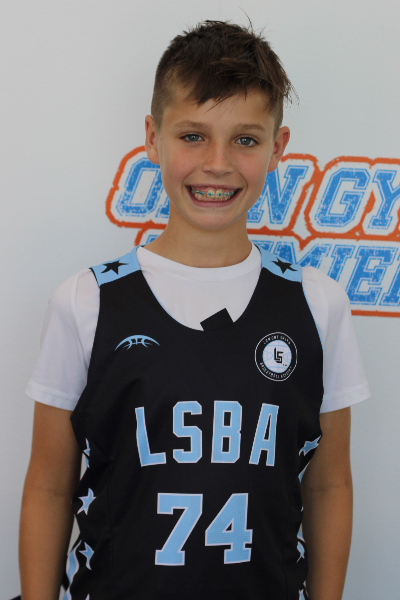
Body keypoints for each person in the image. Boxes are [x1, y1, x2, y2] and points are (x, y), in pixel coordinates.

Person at [19, 20, 370, 600]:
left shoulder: (316, 304)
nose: (217, 163)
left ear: (278, 148)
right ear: (152, 137)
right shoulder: (86, 301)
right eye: (192, 136)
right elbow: (49, 486)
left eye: (246, 140)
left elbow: (329, 484)